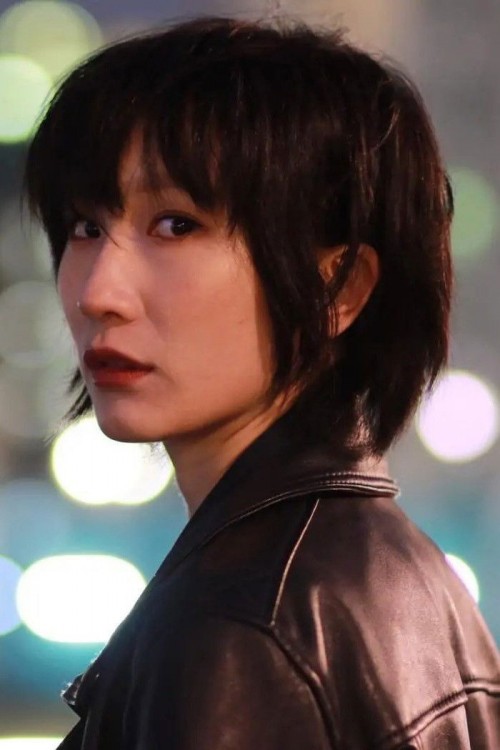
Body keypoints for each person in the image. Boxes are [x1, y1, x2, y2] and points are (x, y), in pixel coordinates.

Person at [24, 16, 499, 750]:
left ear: (338, 286)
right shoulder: (406, 572)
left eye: (176, 225)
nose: (98, 293)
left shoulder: (237, 631)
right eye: (86, 226)